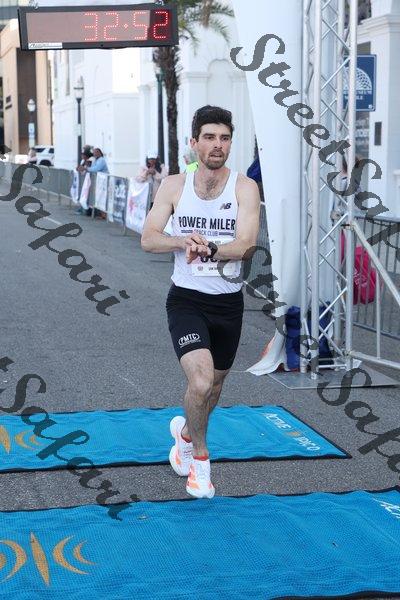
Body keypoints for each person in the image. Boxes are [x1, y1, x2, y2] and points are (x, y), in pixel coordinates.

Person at [141, 105, 260, 498]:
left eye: (224, 138)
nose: (217, 145)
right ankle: (201, 463)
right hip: (187, 300)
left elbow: (246, 246)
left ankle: (186, 435)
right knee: (201, 380)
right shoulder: (174, 186)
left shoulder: (244, 187)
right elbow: (149, 239)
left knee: (214, 387)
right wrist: (182, 241)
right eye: (209, 137)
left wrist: (210, 248)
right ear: (194, 143)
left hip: (228, 304)